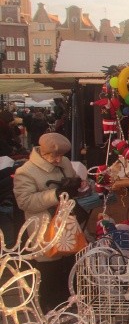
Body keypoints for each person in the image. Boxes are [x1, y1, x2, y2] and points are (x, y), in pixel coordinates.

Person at [13, 132, 84, 313]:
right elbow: (25, 202)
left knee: (69, 262)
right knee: (49, 265)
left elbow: (74, 184)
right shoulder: (26, 172)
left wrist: (80, 186)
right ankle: (49, 306)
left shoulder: (65, 163)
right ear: (43, 153)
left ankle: (69, 302)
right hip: (44, 226)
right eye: (54, 156)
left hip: (66, 225)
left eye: (62, 155)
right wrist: (55, 194)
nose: (58, 160)